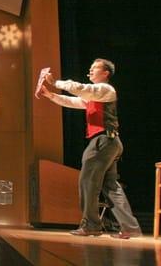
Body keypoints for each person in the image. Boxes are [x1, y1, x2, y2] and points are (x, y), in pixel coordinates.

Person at [39, 58, 142, 239]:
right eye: (90, 69)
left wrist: (56, 82)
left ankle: (91, 225)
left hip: (103, 142)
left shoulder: (106, 89)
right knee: (110, 186)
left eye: (95, 68)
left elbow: (84, 89)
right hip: (110, 143)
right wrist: (51, 95)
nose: (91, 71)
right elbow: (74, 101)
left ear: (106, 73)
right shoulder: (95, 97)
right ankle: (130, 227)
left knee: (87, 182)